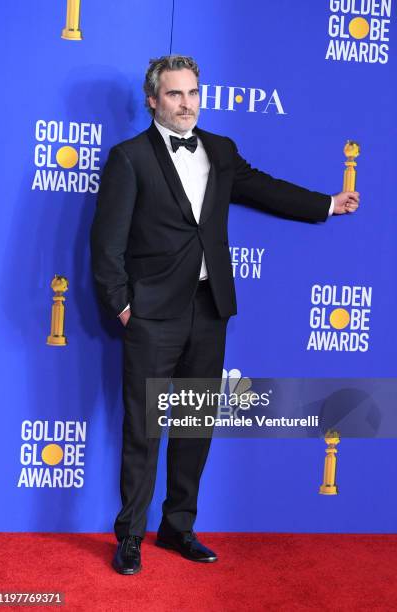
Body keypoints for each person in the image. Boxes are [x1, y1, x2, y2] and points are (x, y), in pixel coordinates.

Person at [90, 55, 359, 575]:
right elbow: (106, 246)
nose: (186, 103)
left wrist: (325, 203)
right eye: (174, 94)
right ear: (153, 101)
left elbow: (262, 188)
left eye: (192, 92)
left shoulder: (220, 149)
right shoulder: (129, 158)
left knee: (195, 424)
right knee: (144, 430)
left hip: (210, 309)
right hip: (152, 314)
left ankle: (178, 526)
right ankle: (131, 536)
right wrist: (124, 307)